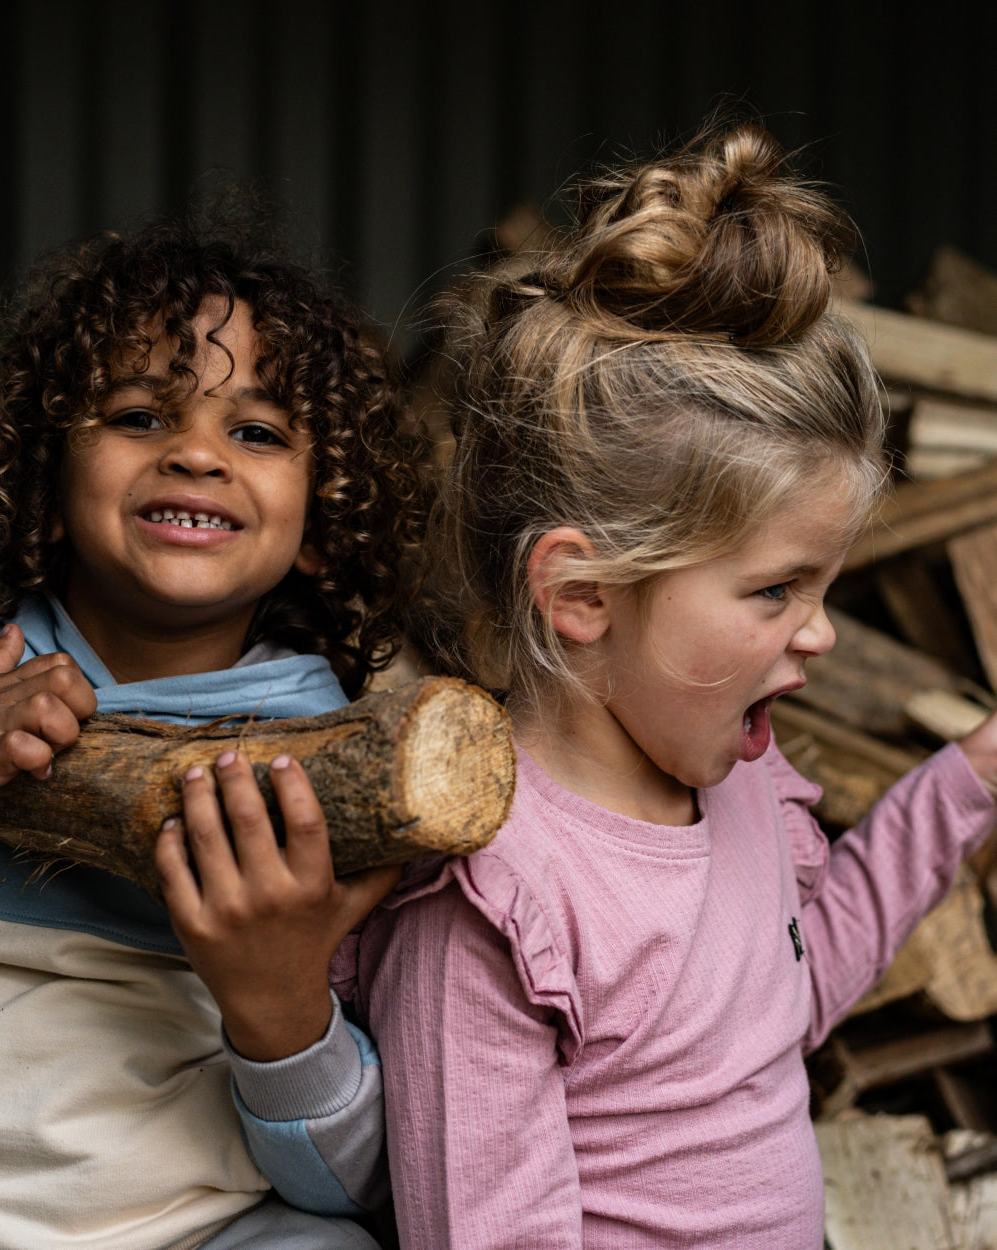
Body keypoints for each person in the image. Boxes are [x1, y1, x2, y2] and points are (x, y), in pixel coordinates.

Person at [333, 124, 997, 1249]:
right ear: (582, 592)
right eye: (776, 588)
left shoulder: (731, 784)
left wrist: (967, 778)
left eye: (823, 586)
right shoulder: (496, 908)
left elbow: (780, 1001)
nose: (821, 633)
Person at [0, 215, 429, 1250]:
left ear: (321, 522)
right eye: (140, 413)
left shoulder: (335, 757)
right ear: (48, 476)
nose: (197, 452)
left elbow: (357, 1182)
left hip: (214, 1231)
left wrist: (279, 1004)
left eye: (257, 431)